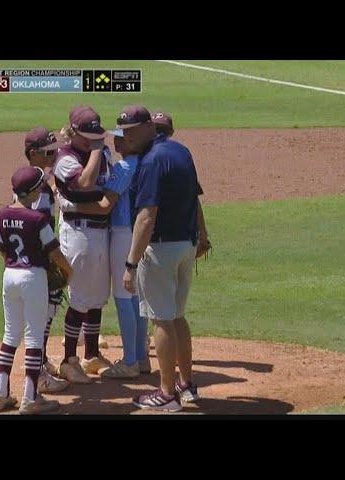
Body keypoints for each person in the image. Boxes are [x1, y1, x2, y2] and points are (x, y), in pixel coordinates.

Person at [115, 105, 211, 412]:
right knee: (177, 316)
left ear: (148, 128)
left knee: (161, 319)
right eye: (123, 133)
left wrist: (131, 263)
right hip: (186, 245)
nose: (126, 138)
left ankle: (167, 392)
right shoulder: (181, 152)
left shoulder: (151, 162)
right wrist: (203, 235)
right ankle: (187, 385)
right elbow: (194, 199)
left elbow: (146, 217)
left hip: (160, 250)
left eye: (130, 132)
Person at [57, 126, 150, 378]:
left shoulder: (123, 167)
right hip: (141, 233)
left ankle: (131, 360)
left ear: (131, 141)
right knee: (136, 298)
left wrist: (69, 205)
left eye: (120, 137)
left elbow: (105, 206)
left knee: (124, 298)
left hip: (122, 234)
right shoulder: (146, 161)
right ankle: (140, 357)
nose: (115, 141)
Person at [0, 166, 72, 414]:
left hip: (10, 275)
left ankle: (0, 394)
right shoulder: (38, 219)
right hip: (33, 277)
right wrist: (69, 273)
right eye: (39, 186)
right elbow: (54, 252)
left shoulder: (2, 214)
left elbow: (1, 249)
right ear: (34, 191)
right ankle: (30, 397)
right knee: (34, 337)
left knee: (10, 335)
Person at [53, 105, 113, 384]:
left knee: (98, 295)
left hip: (101, 231)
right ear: (74, 132)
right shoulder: (64, 158)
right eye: (88, 136)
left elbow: (107, 189)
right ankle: (68, 360)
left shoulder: (97, 153)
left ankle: (91, 355)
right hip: (77, 233)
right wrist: (98, 150)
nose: (93, 140)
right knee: (79, 297)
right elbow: (87, 182)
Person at [22, 127, 69, 393]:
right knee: (43, 317)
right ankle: (37, 374)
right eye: (47, 153)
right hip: (40, 262)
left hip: (31, 262)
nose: (53, 156)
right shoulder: (38, 188)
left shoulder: (30, 181)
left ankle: (39, 361)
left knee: (44, 315)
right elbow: (39, 228)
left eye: (54, 151)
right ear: (33, 154)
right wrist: (53, 262)